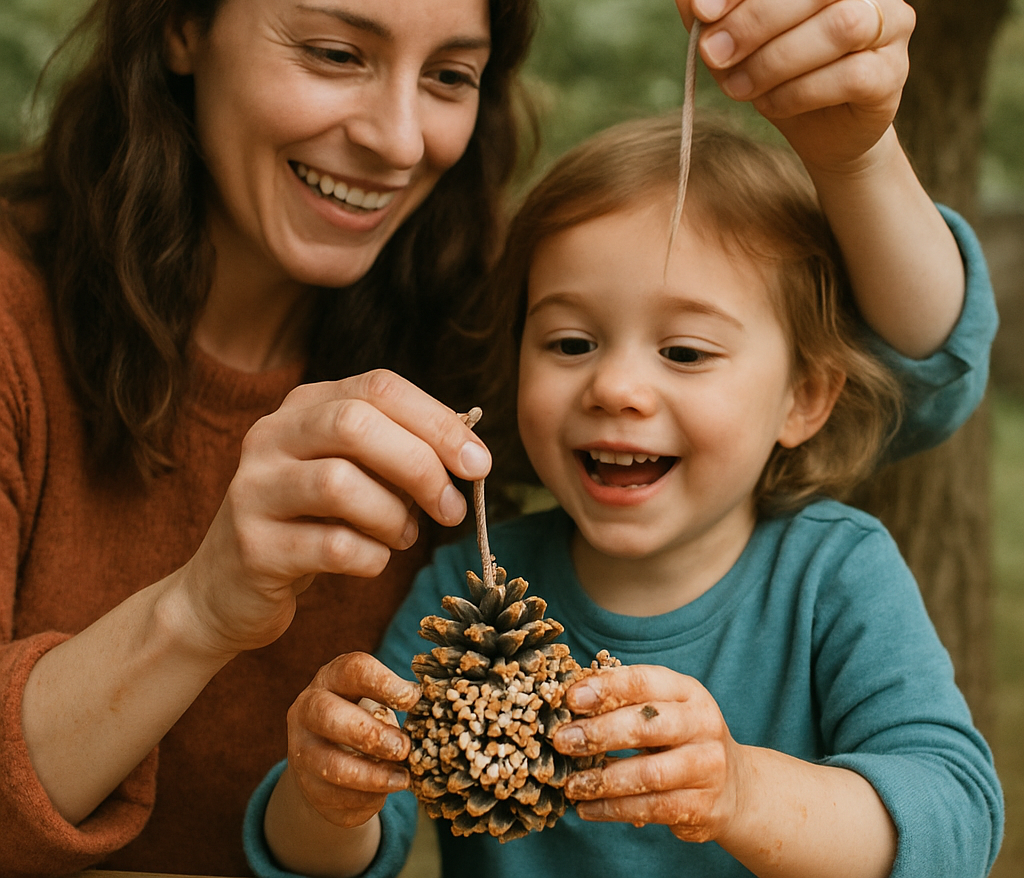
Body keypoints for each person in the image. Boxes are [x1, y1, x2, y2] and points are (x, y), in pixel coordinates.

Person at [0, 0, 988, 875]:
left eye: (450, 75)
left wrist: (855, 155)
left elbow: (915, 375)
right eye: (338, 51)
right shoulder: (15, 324)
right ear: (183, 17)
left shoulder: (459, 321)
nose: (393, 139)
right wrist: (200, 609)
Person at [246, 117, 1002, 878]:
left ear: (803, 399)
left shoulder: (835, 574)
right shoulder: (473, 587)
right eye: (571, 343)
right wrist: (324, 796)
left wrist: (742, 793)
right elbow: (338, 857)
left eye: (684, 352)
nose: (614, 388)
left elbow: (955, 820)